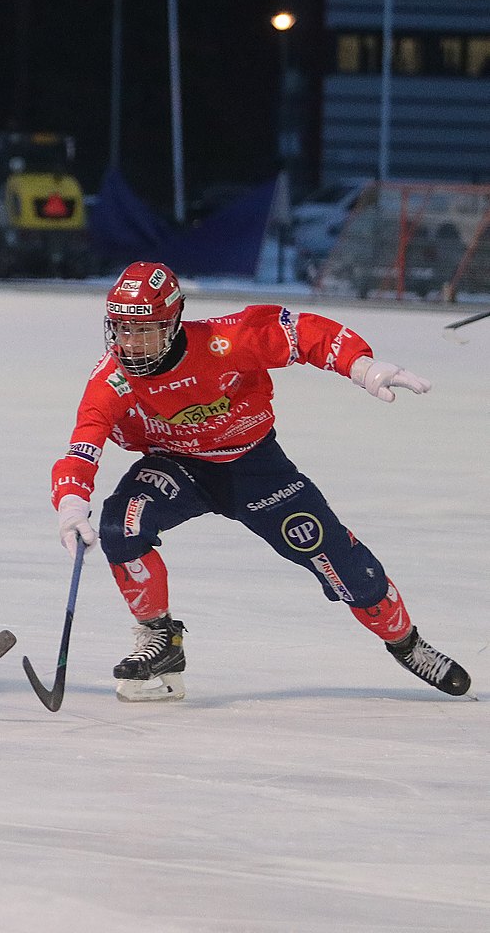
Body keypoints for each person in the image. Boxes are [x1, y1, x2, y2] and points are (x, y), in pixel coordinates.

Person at [50, 261, 471, 702]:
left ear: (174, 322)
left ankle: (406, 643)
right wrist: (72, 504)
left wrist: (360, 365)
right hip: (178, 467)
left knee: (342, 565)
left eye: (145, 330)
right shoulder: (110, 380)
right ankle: (162, 640)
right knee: (123, 526)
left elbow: (304, 333)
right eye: (121, 329)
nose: (130, 345)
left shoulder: (225, 340)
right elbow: (84, 444)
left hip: (255, 467)